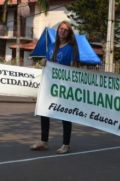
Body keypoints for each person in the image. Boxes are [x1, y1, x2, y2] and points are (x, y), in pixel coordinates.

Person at [30, 21, 79, 154]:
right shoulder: (52, 46)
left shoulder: (72, 48)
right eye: (61, 29)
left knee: (65, 114)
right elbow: (47, 63)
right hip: (50, 85)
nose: (62, 31)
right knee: (44, 111)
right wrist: (43, 62)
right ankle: (44, 141)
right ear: (58, 30)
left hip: (64, 87)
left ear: (69, 33)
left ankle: (66, 144)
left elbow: (74, 68)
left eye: (66, 30)